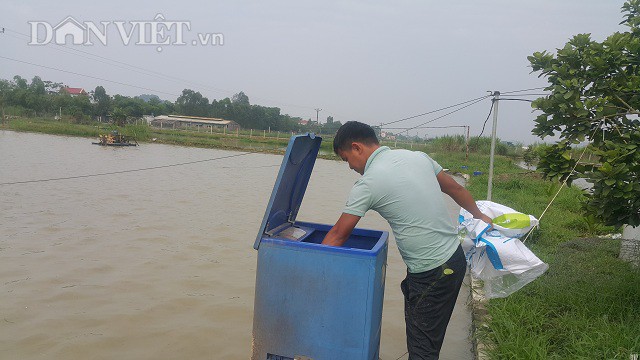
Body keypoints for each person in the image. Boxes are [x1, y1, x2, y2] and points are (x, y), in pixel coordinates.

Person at [321, 121, 492, 360]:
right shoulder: (418, 157)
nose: (350, 167)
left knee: (422, 352)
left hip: (432, 273)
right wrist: (481, 216)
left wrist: (313, 276)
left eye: (346, 158)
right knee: (427, 344)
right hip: (453, 260)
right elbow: (456, 189)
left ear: (356, 147)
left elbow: (338, 235)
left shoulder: (369, 183)